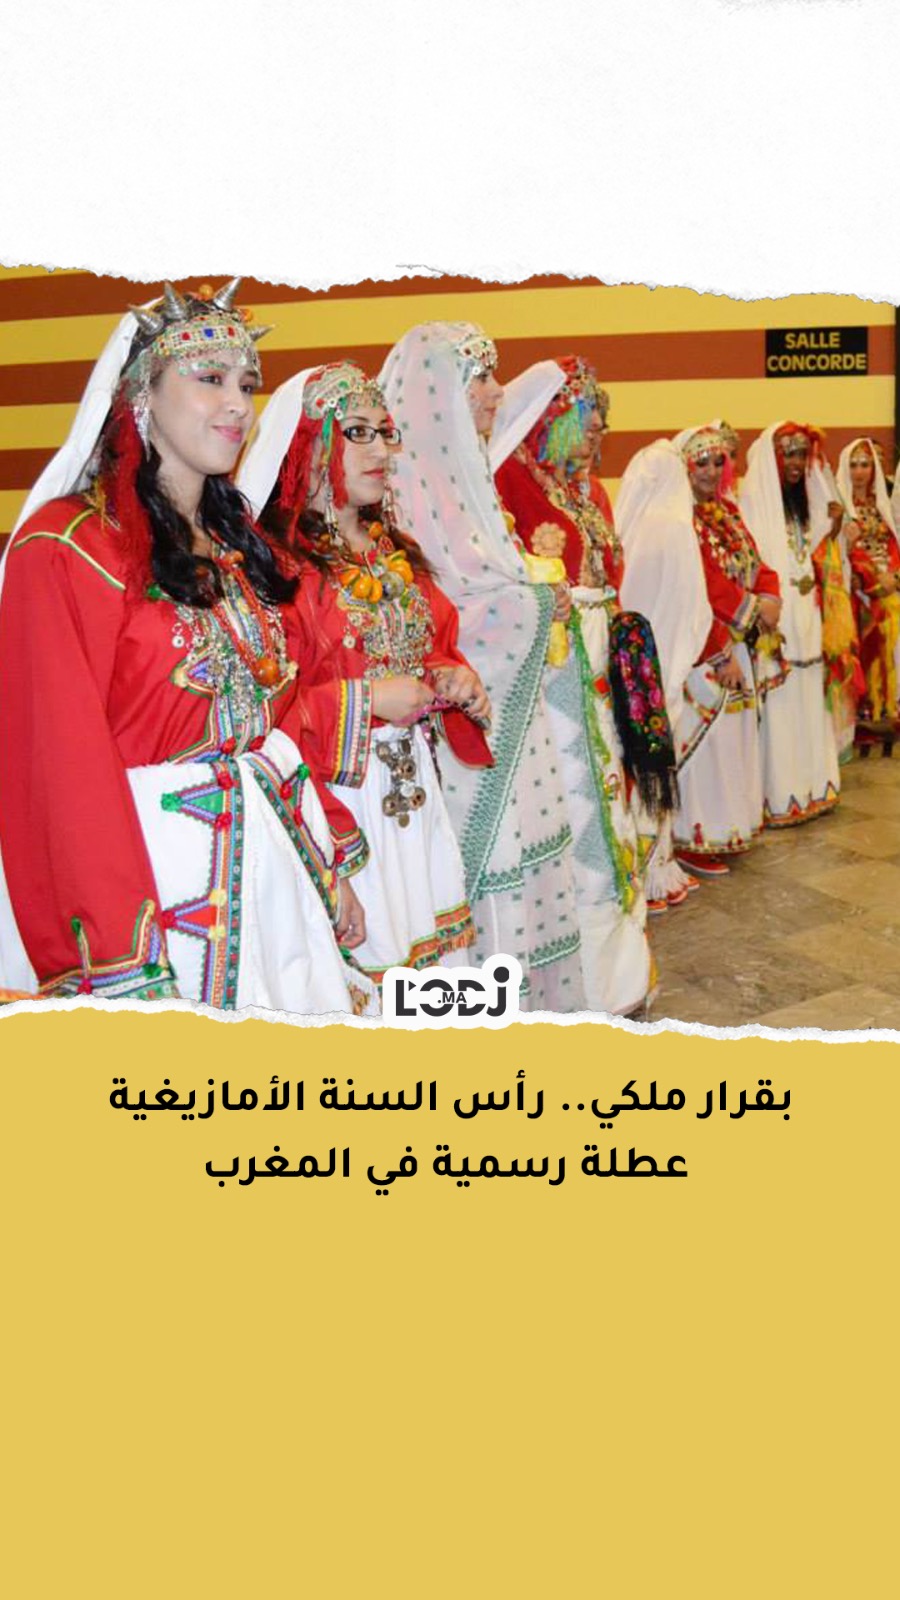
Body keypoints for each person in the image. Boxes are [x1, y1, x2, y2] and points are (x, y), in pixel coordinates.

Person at [0, 282, 376, 1014]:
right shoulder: (70, 547)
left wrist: (321, 861)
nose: (238, 406)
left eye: (247, 385)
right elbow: (61, 768)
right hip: (155, 886)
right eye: (209, 379)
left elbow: (272, 732)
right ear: (140, 395)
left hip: (270, 877)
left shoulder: (240, 548)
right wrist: (120, 956)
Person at [382, 323, 651, 1016]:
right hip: (466, 732)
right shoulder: (413, 490)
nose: (496, 392)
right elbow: (441, 610)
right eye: (479, 377)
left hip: (522, 714)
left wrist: (537, 587)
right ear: (439, 392)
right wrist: (537, 598)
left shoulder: (469, 482)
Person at [238, 359, 491, 983]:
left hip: (412, 792)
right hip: (335, 798)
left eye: (385, 432)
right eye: (358, 432)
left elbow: (431, 641)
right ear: (308, 444)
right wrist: (367, 699)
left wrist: (451, 676)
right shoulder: (275, 569)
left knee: (428, 959)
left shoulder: (390, 552)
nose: (381, 449)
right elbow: (261, 721)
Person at [492, 356, 679, 913]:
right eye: (585, 413)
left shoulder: (586, 490)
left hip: (598, 655)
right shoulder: (508, 478)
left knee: (609, 773)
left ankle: (615, 903)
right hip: (555, 662)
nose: (598, 428)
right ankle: (577, 909)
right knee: (574, 779)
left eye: (600, 417)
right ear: (549, 417)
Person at [618, 429, 778, 890]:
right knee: (703, 745)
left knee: (732, 742)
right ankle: (693, 838)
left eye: (718, 462)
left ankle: (727, 829)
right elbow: (699, 591)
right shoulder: (677, 520)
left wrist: (770, 595)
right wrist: (724, 645)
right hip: (703, 647)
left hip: (735, 642)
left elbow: (757, 561)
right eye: (700, 463)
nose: (710, 471)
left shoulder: (727, 512)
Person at [740, 422, 841, 825]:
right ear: (773, 460)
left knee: (809, 694)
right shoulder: (753, 504)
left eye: (802, 455)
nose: (797, 464)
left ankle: (815, 786)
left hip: (808, 618)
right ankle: (783, 794)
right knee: (781, 701)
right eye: (789, 455)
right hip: (777, 620)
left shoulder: (803, 505)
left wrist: (832, 523)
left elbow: (813, 549)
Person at [836, 437, 900, 751]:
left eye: (865, 465)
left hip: (889, 582)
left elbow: (893, 542)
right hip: (859, 587)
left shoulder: (879, 504)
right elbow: (848, 553)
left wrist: (894, 576)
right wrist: (876, 581)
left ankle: (890, 706)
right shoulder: (840, 507)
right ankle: (867, 710)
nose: (860, 472)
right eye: (853, 465)